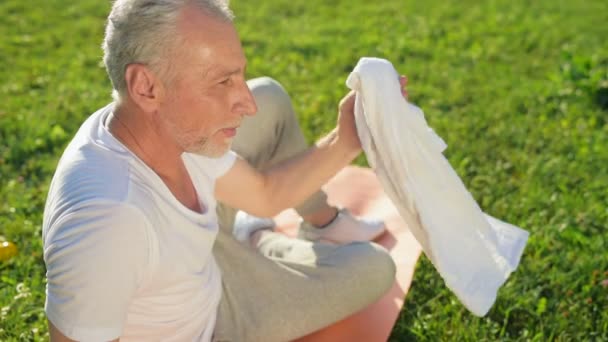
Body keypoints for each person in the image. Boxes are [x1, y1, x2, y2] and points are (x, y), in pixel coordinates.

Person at [42, 0, 407, 341]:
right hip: (215, 318)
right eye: (222, 81)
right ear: (146, 87)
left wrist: (346, 140)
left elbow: (264, 195)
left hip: (195, 259)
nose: (245, 104)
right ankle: (259, 241)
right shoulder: (109, 223)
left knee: (269, 97)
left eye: (238, 76)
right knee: (374, 268)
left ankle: (292, 228)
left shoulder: (165, 131)